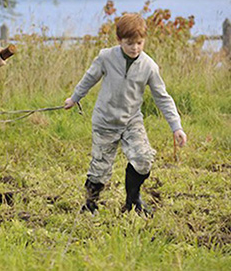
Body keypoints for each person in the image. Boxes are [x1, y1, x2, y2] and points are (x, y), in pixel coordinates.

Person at [64, 13, 187, 216]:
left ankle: (133, 200)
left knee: (143, 159)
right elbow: (89, 78)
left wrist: (177, 127)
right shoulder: (106, 57)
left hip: (131, 121)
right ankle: (90, 205)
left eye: (139, 43)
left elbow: (162, 98)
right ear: (119, 40)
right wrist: (75, 97)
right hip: (105, 121)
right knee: (100, 169)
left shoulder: (149, 66)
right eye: (130, 43)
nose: (135, 48)